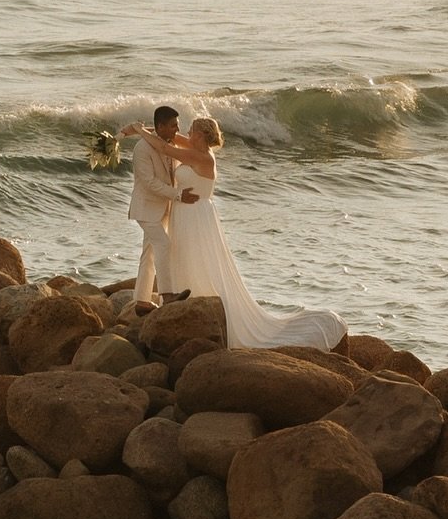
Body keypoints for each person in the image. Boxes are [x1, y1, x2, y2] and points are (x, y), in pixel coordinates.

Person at [120, 115, 347, 350]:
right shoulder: (194, 147)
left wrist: (138, 128)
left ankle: (191, 308)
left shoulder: (200, 156)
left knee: (198, 257)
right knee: (184, 254)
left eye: (192, 129)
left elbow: (163, 146)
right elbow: (166, 136)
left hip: (195, 215)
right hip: (186, 213)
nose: (186, 131)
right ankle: (180, 300)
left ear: (200, 135)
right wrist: (135, 131)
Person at [125, 104, 199, 314]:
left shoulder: (169, 142)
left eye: (178, 125)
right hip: (146, 208)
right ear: (160, 126)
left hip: (164, 208)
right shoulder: (142, 149)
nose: (177, 129)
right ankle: (167, 296)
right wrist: (178, 195)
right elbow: (149, 182)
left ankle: (141, 302)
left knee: (148, 253)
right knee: (163, 245)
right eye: (173, 125)